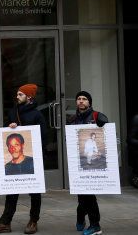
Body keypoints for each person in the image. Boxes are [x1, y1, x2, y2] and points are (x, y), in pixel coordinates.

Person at [0, 84, 46, 234]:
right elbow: (5, 132)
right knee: (11, 190)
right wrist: (9, 127)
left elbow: (44, 137)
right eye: (17, 94)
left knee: (35, 192)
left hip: (31, 161)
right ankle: (5, 222)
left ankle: (33, 221)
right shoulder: (13, 112)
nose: (17, 97)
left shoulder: (37, 115)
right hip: (14, 162)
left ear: (29, 97)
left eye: (20, 95)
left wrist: (39, 159)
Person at [67, 91, 108, 235]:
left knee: (88, 195)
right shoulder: (71, 119)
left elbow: (106, 135)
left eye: (84, 99)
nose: (81, 101)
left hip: (93, 164)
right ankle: (80, 218)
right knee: (82, 195)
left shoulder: (98, 116)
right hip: (78, 163)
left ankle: (95, 225)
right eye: (78, 99)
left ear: (89, 102)